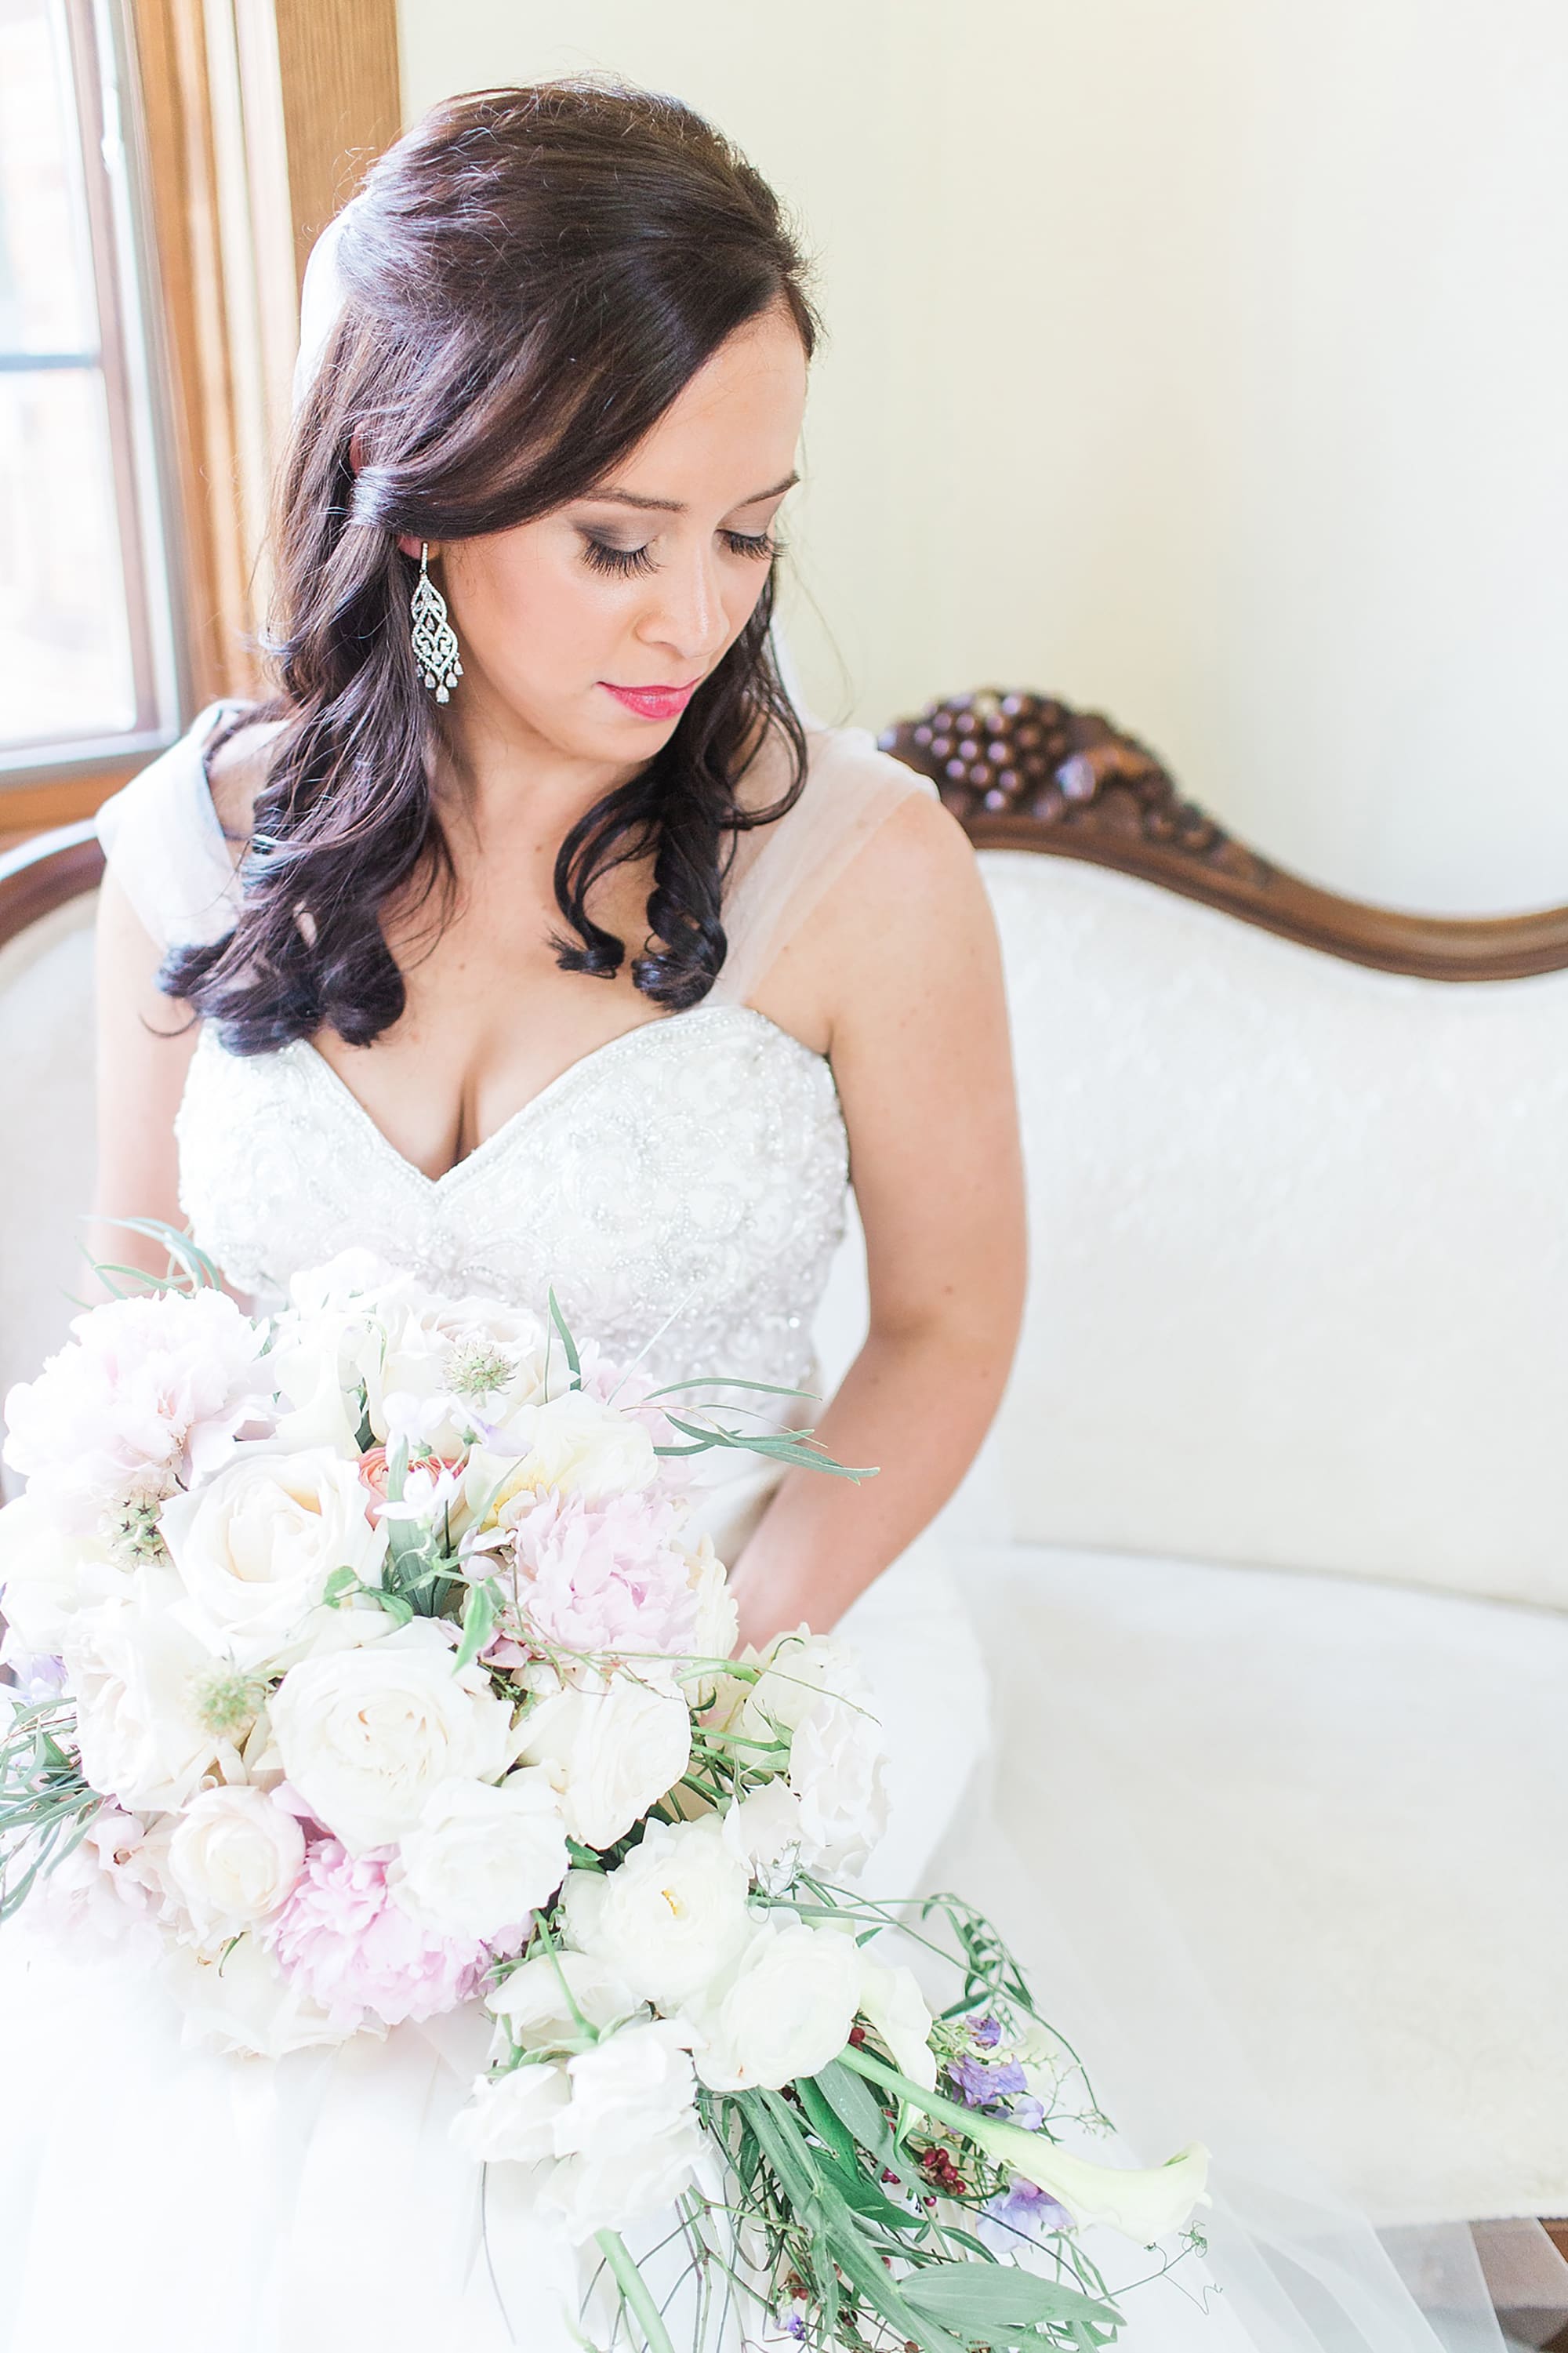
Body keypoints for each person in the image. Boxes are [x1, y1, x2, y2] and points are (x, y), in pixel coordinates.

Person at [0, 77, 1519, 2353]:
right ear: (420, 501)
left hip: (752, 1664)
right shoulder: (198, 850)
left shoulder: (864, 870)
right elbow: (145, 1313)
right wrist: (238, 1690)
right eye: (622, 539)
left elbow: (947, 1318)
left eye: (750, 533)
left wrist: (684, 1706)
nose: (696, 615)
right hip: (310, 1727)